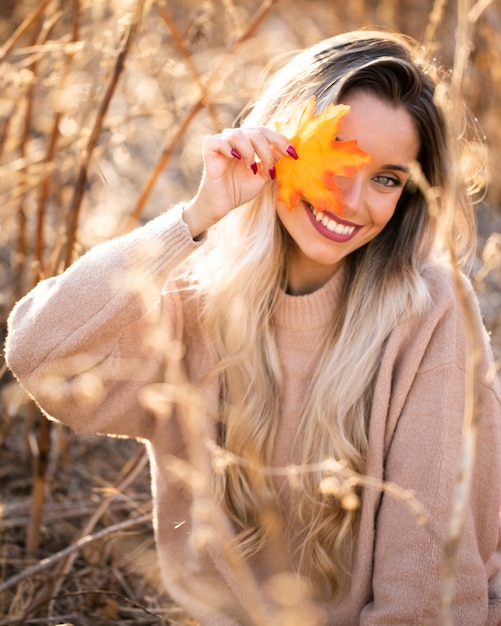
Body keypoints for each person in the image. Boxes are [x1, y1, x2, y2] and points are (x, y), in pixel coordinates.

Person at [5, 29, 501, 625]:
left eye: (387, 179)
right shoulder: (190, 301)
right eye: (335, 158)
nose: (350, 200)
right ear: (275, 145)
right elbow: (39, 357)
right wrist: (195, 218)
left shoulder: (429, 308)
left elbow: (425, 586)